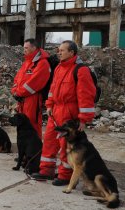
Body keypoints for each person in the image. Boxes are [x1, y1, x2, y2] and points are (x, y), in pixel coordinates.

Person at [32, 40, 96, 186]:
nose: (58, 52)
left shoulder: (81, 70)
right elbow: (52, 90)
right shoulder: (59, 68)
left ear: (72, 52)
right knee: (49, 141)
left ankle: (65, 175)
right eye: (58, 50)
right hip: (55, 111)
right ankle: (46, 170)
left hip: (69, 113)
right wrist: (49, 105)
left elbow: (86, 96)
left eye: (62, 50)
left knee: (65, 146)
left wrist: (83, 119)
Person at [10, 38, 51, 139]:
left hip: (32, 100)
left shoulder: (42, 63)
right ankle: (24, 150)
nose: (24, 50)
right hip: (22, 99)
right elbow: (17, 79)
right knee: (22, 125)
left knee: (32, 124)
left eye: (26, 48)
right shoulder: (27, 62)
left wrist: (18, 93)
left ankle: (34, 150)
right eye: (24, 48)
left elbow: (34, 84)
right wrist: (14, 91)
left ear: (34, 48)